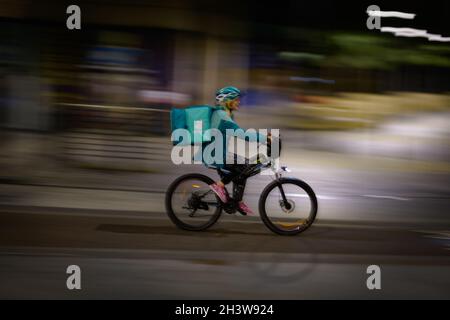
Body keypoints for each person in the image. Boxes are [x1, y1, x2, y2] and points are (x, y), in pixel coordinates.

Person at [205, 86, 270, 216]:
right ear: (227, 101)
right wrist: (264, 138)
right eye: (236, 99)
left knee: (245, 168)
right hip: (215, 154)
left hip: (218, 152)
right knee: (243, 167)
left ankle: (237, 201)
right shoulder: (222, 116)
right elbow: (241, 134)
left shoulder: (225, 114)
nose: (239, 102)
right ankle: (219, 185)